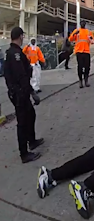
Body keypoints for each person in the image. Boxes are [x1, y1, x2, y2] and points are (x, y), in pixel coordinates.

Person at [3, 27, 44, 163]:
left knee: (30, 115)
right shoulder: (15, 54)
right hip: (20, 93)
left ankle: (31, 141)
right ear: (20, 36)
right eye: (23, 36)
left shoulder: (14, 52)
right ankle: (24, 154)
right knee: (22, 122)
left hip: (20, 92)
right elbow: (21, 76)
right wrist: (32, 93)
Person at [69, 20, 94, 88]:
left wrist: (90, 39)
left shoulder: (88, 32)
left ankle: (86, 80)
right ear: (80, 24)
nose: (83, 24)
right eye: (81, 23)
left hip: (86, 51)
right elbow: (70, 39)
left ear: (85, 24)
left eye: (84, 23)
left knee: (87, 67)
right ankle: (80, 81)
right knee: (80, 66)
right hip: (79, 51)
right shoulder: (76, 31)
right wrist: (74, 34)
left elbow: (92, 41)